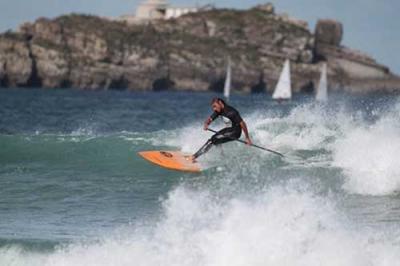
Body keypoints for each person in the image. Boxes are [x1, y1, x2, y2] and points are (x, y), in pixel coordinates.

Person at [189, 97, 252, 162]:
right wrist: (206, 124)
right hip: (228, 130)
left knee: (212, 140)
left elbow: (242, 123)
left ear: (220, 103)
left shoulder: (231, 112)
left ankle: (194, 157)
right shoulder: (218, 111)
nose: (214, 109)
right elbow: (210, 119)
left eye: (215, 106)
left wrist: (247, 138)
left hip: (235, 132)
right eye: (213, 107)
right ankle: (222, 157)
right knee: (215, 140)